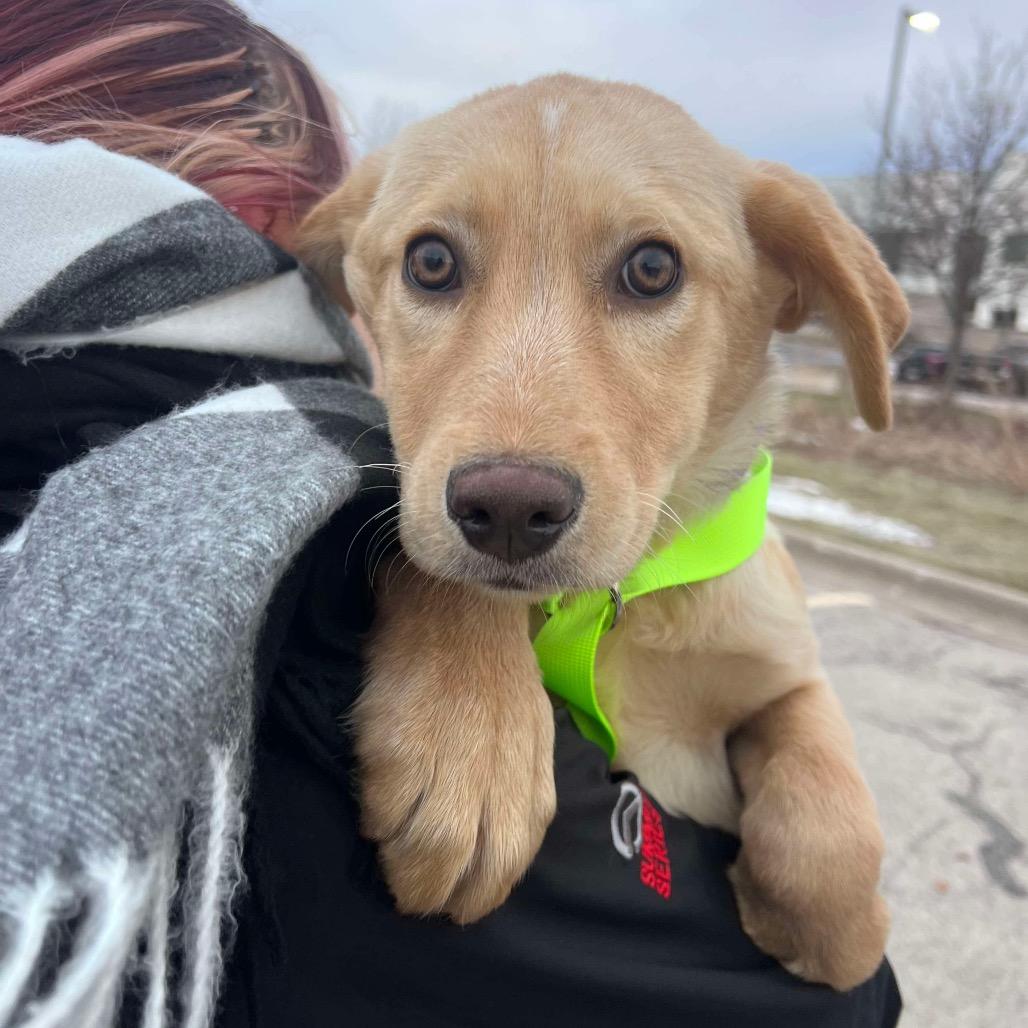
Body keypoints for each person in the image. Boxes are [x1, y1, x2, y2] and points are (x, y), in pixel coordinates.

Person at [0, 3, 902, 1026]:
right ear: (338, 271)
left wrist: (820, 811)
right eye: (435, 266)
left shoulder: (742, 574)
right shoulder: (272, 526)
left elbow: (785, 691)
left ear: (782, 285)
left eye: (648, 272)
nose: (514, 454)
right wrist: (443, 599)